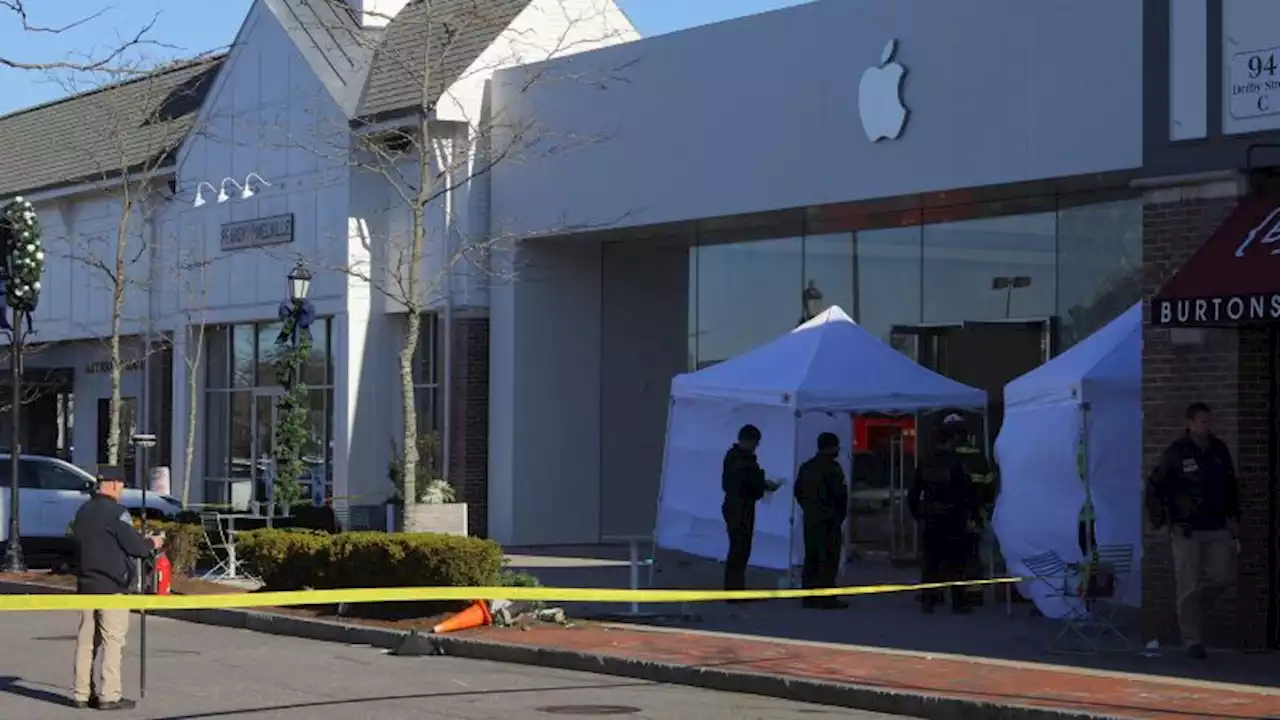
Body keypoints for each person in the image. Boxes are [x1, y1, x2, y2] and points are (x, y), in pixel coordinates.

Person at [1145, 402, 1239, 660]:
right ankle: (1192, 640)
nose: (1206, 427)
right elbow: (1155, 486)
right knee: (1187, 585)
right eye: (1201, 422)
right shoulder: (1177, 453)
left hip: (1217, 525)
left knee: (1221, 577)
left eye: (1209, 422)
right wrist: (1161, 520)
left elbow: (1231, 485)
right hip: (1186, 528)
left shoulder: (1219, 450)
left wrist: (1234, 518)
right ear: (1189, 423)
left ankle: (1195, 611)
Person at [70, 471, 163, 710]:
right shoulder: (116, 513)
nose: (122, 490)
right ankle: (109, 694)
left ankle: (81, 693)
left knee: (85, 641)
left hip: (86, 584)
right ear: (112, 485)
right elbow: (135, 548)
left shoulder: (84, 511)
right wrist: (153, 542)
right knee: (113, 641)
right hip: (112, 586)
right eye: (121, 485)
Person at [909, 420, 978, 614]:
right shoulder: (955, 463)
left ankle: (929, 600)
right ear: (951, 440)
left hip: (932, 517)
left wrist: (919, 514)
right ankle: (958, 600)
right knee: (956, 562)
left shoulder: (925, 462)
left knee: (930, 562)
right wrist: (971, 514)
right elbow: (967, 492)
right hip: (953, 518)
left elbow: (913, 493)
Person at [722, 424, 779, 598]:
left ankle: (735, 588)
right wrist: (763, 484)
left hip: (735, 506)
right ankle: (734, 590)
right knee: (740, 549)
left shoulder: (733, 457)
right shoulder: (744, 460)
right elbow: (748, 483)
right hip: (741, 507)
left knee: (738, 548)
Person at [794, 432, 849, 609]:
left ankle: (808, 596)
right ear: (831, 447)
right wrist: (838, 516)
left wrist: (810, 509)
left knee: (811, 557)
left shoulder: (806, 467)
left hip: (811, 518)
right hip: (828, 519)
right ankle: (826, 597)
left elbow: (798, 492)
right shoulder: (833, 469)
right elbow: (840, 495)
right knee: (829, 558)